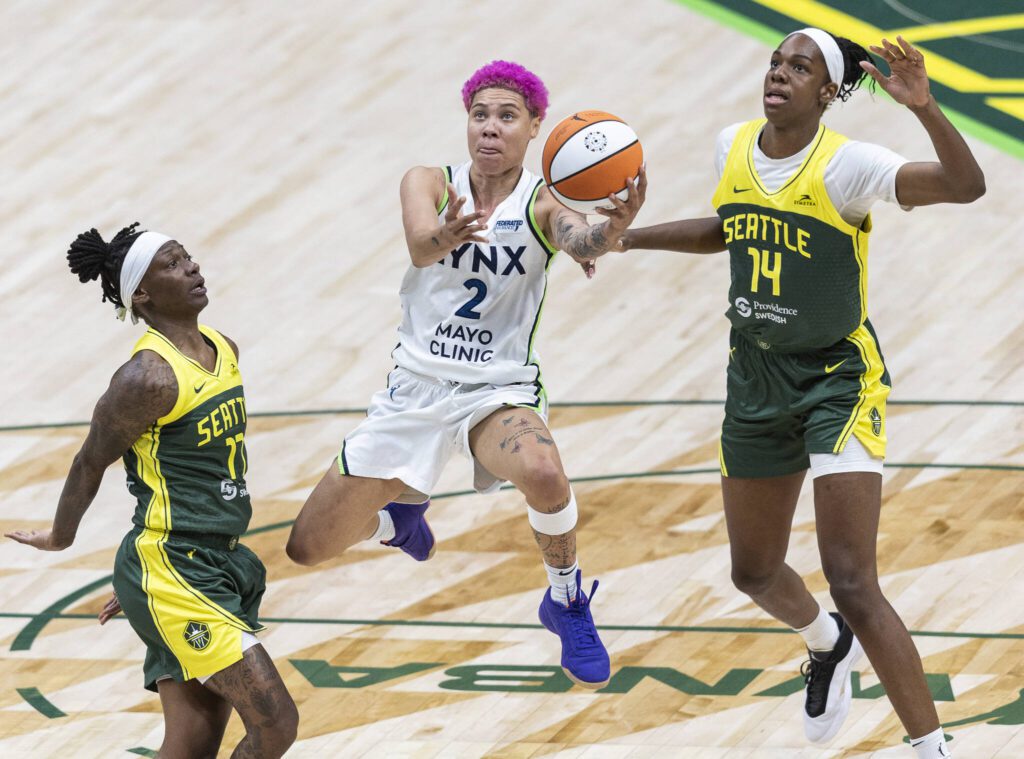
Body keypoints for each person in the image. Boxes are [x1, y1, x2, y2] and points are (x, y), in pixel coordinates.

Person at [616, 30, 982, 757]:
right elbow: (731, 229)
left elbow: (965, 186)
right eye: (776, 62)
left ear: (828, 92)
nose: (779, 73)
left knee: (851, 575)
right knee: (752, 570)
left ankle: (931, 748)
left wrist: (925, 108)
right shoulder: (734, 145)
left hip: (836, 381)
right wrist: (626, 238)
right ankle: (825, 644)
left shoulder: (848, 165)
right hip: (754, 374)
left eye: (800, 67)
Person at [286, 60, 646, 689]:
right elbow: (422, 245)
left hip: (495, 393)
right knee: (307, 548)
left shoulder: (544, 200)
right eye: (480, 114)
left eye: (507, 116)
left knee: (543, 471)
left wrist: (609, 229)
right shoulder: (428, 181)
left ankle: (565, 602)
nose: (490, 128)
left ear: (535, 127)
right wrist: (445, 233)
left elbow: (579, 241)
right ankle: (396, 521)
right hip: (414, 394)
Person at [6, 224, 298, 758]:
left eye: (188, 257)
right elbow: (89, 462)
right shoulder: (146, 378)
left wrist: (142, 587)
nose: (192, 267)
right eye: (171, 263)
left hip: (216, 560)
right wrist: (62, 539)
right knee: (276, 724)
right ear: (141, 293)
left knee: (190, 746)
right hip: (174, 563)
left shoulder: (222, 348)